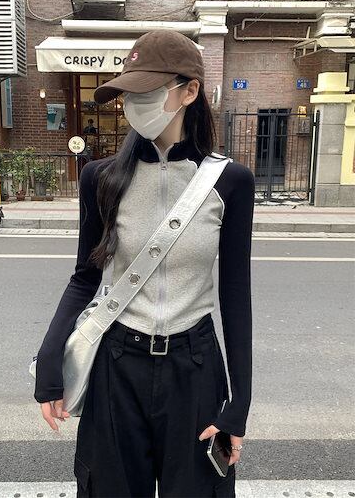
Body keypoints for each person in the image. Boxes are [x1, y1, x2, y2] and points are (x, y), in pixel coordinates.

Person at [34, 29, 255, 498]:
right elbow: (85, 277)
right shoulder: (100, 177)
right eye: (130, 93)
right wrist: (50, 356)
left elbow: (236, 297)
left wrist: (240, 403)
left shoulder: (231, 182)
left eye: (149, 91)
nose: (135, 104)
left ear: (189, 91)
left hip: (195, 368)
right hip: (117, 365)